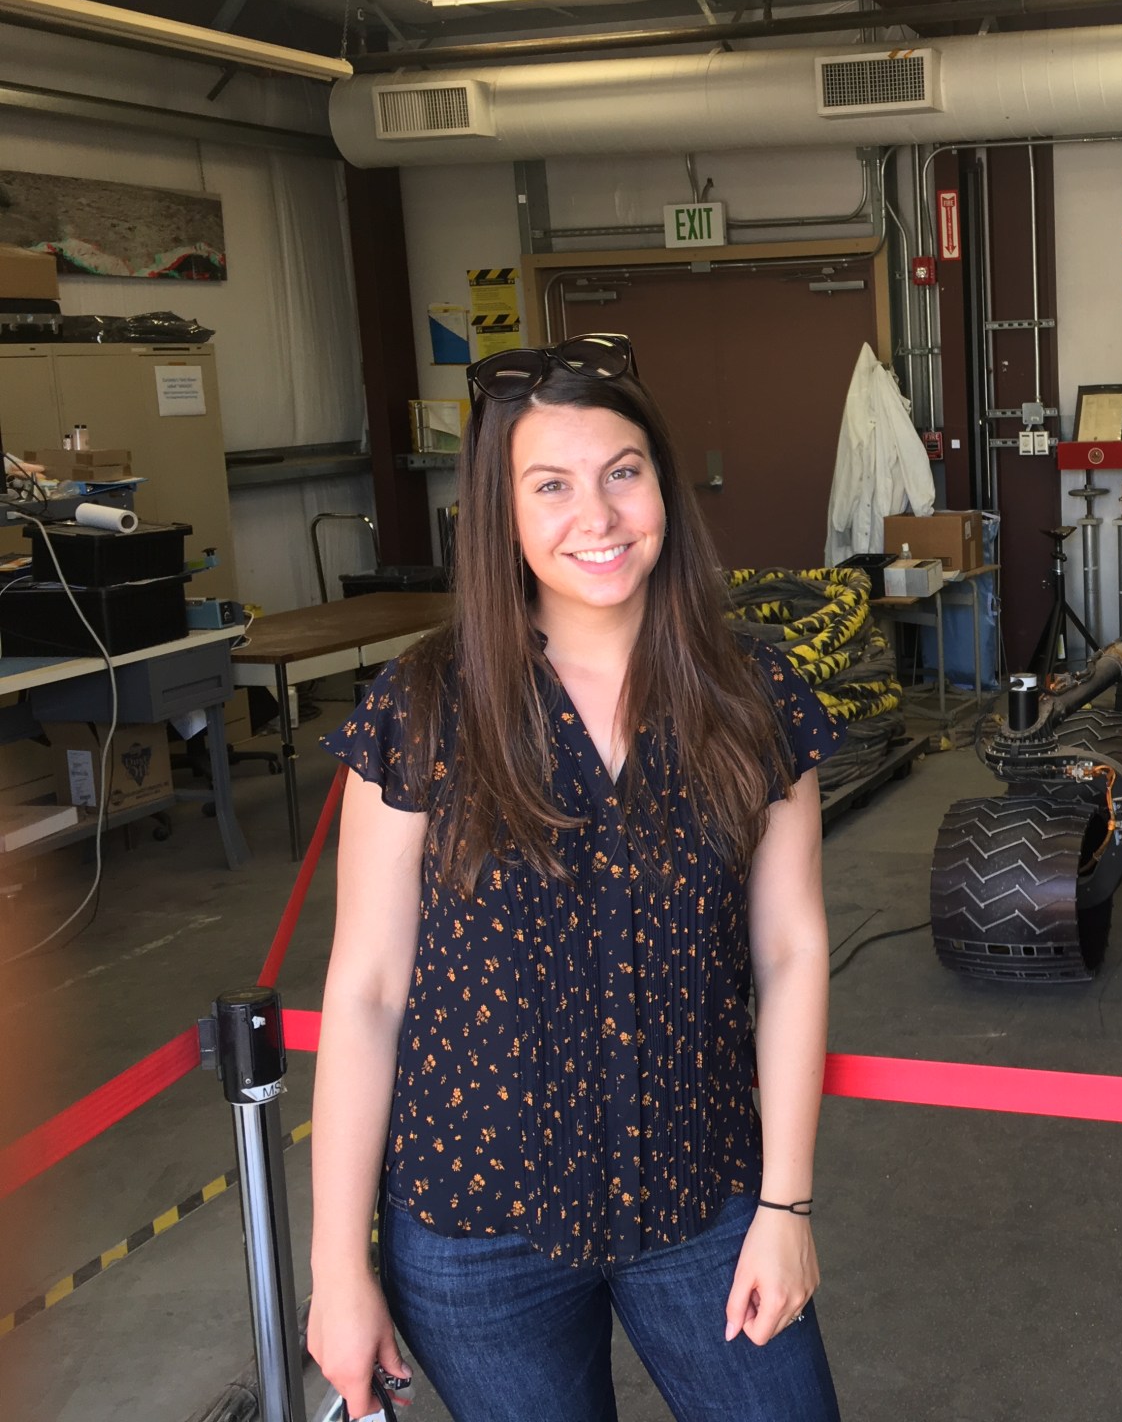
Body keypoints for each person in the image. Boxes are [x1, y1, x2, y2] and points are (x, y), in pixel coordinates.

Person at [306, 334, 842, 1422]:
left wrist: (785, 1204)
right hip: (474, 1223)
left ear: (662, 487)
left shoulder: (751, 697)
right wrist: (338, 1271)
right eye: (549, 485)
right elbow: (366, 991)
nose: (595, 518)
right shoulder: (424, 705)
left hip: (702, 1198)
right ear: (499, 512)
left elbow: (790, 952)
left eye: (622, 473)